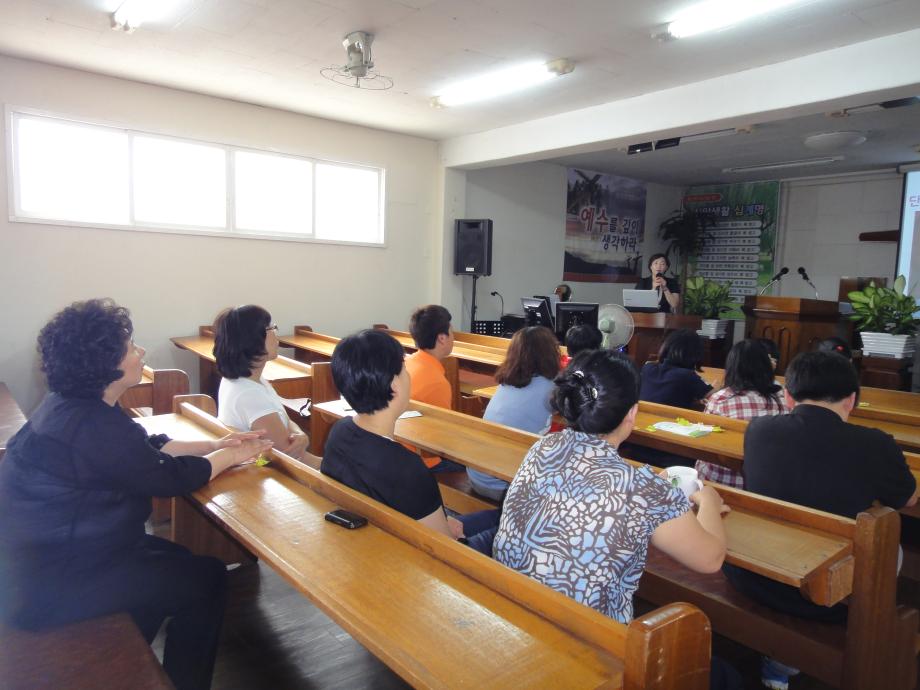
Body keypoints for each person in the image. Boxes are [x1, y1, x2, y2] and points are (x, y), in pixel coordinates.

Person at [0, 299, 272, 690]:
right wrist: (234, 455)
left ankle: (130, 654)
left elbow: (147, 447)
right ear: (105, 364)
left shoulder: (74, 408)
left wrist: (216, 445)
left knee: (180, 561)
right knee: (208, 578)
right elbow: (169, 478)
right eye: (130, 347)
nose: (140, 352)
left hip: (59, 560)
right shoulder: (91, 424)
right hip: (52, 583)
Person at [493, 350, 738, 686]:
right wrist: (708, 501)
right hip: (590, 649)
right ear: (632, 414)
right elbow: (710, 559)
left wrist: (655, 488)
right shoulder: (640, 488)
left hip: (515, 616)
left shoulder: (543, 448)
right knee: (725, 676)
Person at [728, 350, 917, 690]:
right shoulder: (875, 444)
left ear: (787, 395)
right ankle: (839, 646)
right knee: (892, 546)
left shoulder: (758, 429)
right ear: (852, 400)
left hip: (749, 574)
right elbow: (908, 498)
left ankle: (779, 662)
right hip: (823, 597)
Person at [321, 329, 499, 554]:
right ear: (395, 386)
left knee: (498, 516)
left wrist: (444, 525)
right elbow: (444, 551)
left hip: (377, 542)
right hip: (421, 562)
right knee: (508, 525)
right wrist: (449, 532)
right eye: (404, 368)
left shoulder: (340, 432)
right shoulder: (407, 467)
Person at [467, 326, 561, 500]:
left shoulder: (506, 382)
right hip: (505, 486)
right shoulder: (552, 388)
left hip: (477, 476)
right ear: (551, 353)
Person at [214, 305, 310, 460]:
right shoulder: (250, 394)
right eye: (272, 328)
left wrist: (301, 434)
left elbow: (282, 418)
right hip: (272, 471)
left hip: (270, 463)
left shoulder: (247, 379)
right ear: (253, 338)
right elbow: (290, 456)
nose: (276, 334)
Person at [694, 340, 788, 489]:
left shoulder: (721, 399)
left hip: (719, 481)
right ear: (767, 366)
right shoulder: (782, 398)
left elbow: (702, 438)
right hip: (766, 484)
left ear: (732, 367)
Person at [404, 305, 464, 472]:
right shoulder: (436, 383)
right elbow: (441, 442)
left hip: (400, 450)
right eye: (451, 333)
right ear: (442, 338)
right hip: (422, 462)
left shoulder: (408, 362)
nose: (453, 337)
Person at [639, 329, 713, 409]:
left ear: (665, 347)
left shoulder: (648, 367)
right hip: (671, 420)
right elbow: (716, 397)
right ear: (695, 354)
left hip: (641, 418)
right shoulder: (688, 376)